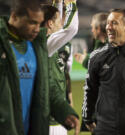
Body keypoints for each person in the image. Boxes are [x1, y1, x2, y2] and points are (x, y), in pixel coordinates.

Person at [0, 0, 79, 135]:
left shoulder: (37, 46)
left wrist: (64, 111)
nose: (37, 29)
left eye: (39, 23)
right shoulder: (3, 45)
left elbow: (46, 86)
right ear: (14, 17)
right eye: (32, 22)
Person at [41, 1, 77, 134]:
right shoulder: (46, 44)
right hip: (51, 120)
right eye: (58, 22)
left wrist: (58, 3)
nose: (61, 25)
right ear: (50, 24)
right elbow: (71, 29)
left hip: (54, 115)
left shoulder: (45, 42)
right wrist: (71, 4)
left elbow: (55, 17)